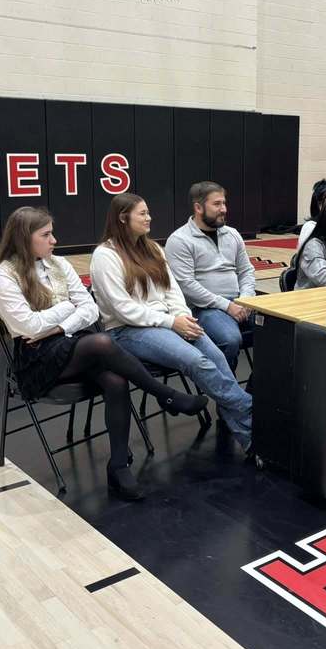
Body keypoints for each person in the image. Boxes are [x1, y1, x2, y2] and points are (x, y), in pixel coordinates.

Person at [0, 206, 206, 502]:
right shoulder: (3, 275)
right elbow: (28, 326)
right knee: (101, 343)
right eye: (46, 235)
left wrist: (59, 327)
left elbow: (89, 310)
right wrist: (66, 311)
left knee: (115, 379)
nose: (54, 240)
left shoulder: (59, 264)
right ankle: (164, 394)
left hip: (72, 344)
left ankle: (118, 467)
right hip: (36, 360)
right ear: (25, 238)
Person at [90, 193, 255, 458]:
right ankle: (252, 409)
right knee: (198, 361)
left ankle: (251, 440)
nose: (149, 218)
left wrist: (181, 316)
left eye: (148, 212)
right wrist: (171, 321)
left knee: (216, 357)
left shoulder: (153, 248)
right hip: (127, 331)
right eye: (142, 213)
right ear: (123, 218)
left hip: (169, 322)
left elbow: (173, 290)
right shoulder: (105, 256)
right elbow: (123, 309)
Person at [165, 181, 255, 375]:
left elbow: (246, 270)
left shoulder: (232, 234)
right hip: (204, 308)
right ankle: (228, 401)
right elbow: (187, 286)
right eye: (217, 204)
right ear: (198, 207)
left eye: (224, 203)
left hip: (241, 302)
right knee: (230, 340)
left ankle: (256, 392)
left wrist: (246, 298)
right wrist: (227, 306)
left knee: (280, 332)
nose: (223, 209)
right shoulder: (179, 240)